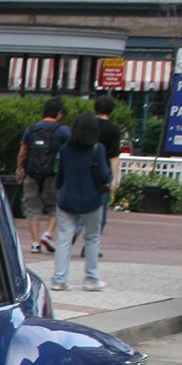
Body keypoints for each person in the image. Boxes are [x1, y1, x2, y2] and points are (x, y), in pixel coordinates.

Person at [49, 112, 111, 293]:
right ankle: (91, 278)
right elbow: (105, 175)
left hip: (67, 199)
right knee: (92, 237)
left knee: (64, 239)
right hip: (91, 200)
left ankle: (59, 279)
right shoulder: (97, 149)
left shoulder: (65, 149)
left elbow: (59, 177)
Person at [18, 98, 68, 253]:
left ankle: (34, 243)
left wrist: (20, 169)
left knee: (32, 207)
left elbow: (22, 152)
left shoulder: (32, 129)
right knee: (55, 206)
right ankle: (48, 233)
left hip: (32, 173)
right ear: (59, 113)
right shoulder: (63, 131)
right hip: (53, 174)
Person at [92, 92, 123, 249]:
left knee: (78, 214)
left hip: (86, 171)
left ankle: (70, 240)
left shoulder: (88, 125)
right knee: (101, 214)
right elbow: (114, 156)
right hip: (103, 175)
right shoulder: (114, 129)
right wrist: (115, 180)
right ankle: (92, 244)